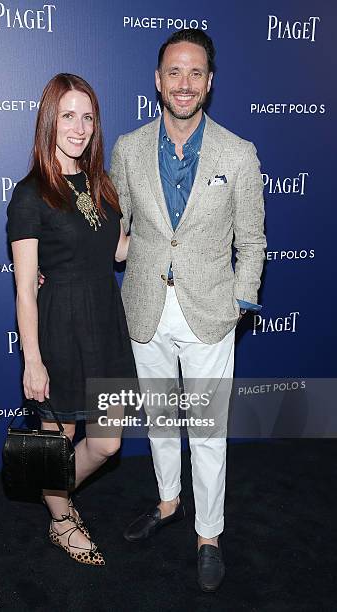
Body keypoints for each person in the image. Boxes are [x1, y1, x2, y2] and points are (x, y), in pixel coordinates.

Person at [110, 29, 266, 591]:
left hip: (208, 315)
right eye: (173, 72)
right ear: (157, 80)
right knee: (159, 424)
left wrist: (236, 306)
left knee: (205, 431)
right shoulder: (127, 148)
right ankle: (168, 503)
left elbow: (252, 242)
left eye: (195, 72)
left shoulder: (238, 153)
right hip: (145, 309)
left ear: (209, 83)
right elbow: (113, 225)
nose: (184, 83)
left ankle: (209, 534)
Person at [7, 73, 135, 566]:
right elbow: (24, 289)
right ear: (49, 121)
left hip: (105, 321)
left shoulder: (101, 183)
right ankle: (61, 517)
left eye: (87, 117)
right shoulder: (30, 194)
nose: (79, 128)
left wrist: (167, 232)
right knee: (56, 443)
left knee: (105, 442)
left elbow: (116, 250)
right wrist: (32, 360)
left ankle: (51, 490)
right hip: (59, 326)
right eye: (68, 116)